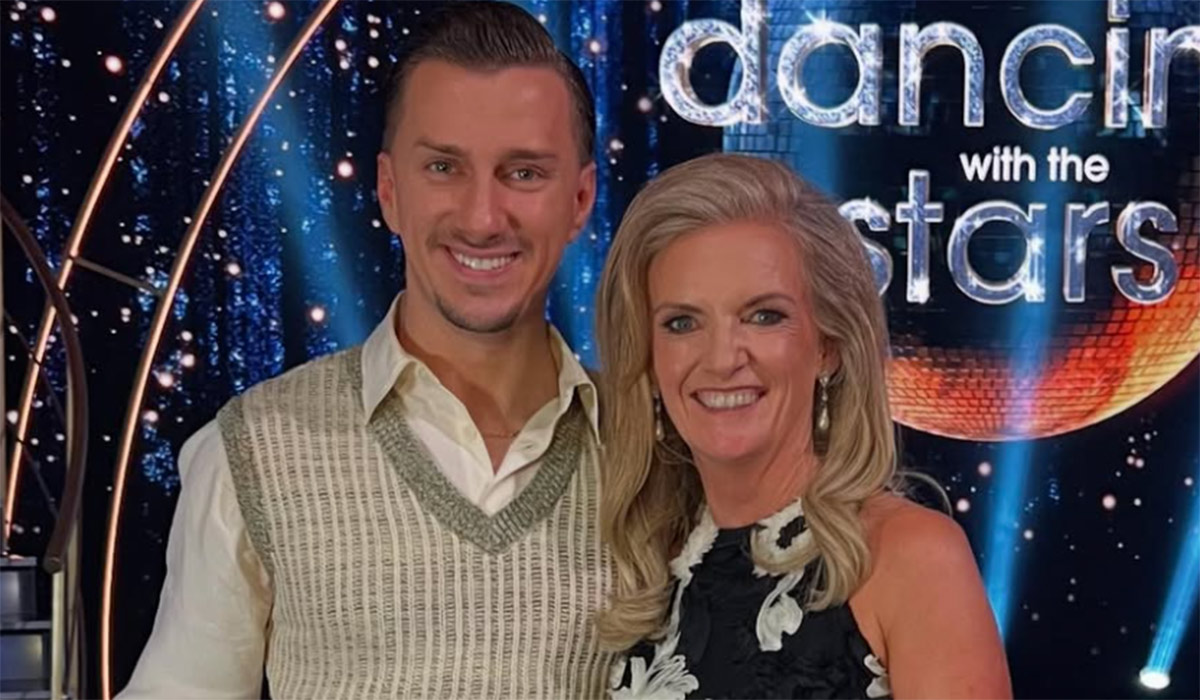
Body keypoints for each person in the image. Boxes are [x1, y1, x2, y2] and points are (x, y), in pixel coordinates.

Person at [120, 3, 613, 697]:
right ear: (388, 190)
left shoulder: (654, 452)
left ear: (581, 199)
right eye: (443, 167)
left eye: (524, 173)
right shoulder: (256, 448)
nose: (482, 217)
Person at [594, 154, 1011, 699]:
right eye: (682, 323)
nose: (721, 358)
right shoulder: (646, 570)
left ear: (828, 347)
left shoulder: (911, 556)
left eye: (764, 316)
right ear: (649, 361)